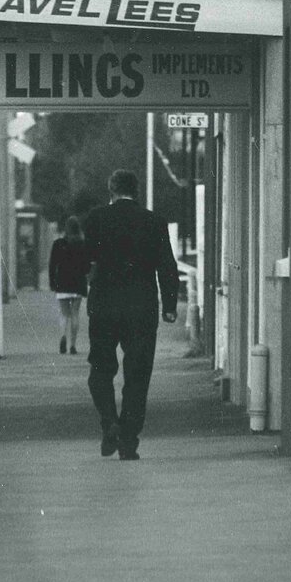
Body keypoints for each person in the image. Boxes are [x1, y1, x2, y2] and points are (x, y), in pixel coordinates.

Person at [82, 169, 179, 460]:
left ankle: (109, 421)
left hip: (103, 306)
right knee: (137, 374)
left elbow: (85, 261)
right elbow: (167, 267)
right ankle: (127, 439)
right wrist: (170, 306)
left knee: (100, 369)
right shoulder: (154, 222)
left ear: (110, 190)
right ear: (136, 190)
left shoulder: (95, 219)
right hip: (141, 307)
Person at [48, 215, 88, 354]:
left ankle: (63, 336)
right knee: (75, 313)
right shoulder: (83, 244)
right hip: (77, 283)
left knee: (64, 313)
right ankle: (73, 345)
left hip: (63, 282)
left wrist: (52, 283)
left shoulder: (58, 244)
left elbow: (52, 265)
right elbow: (87, 266)